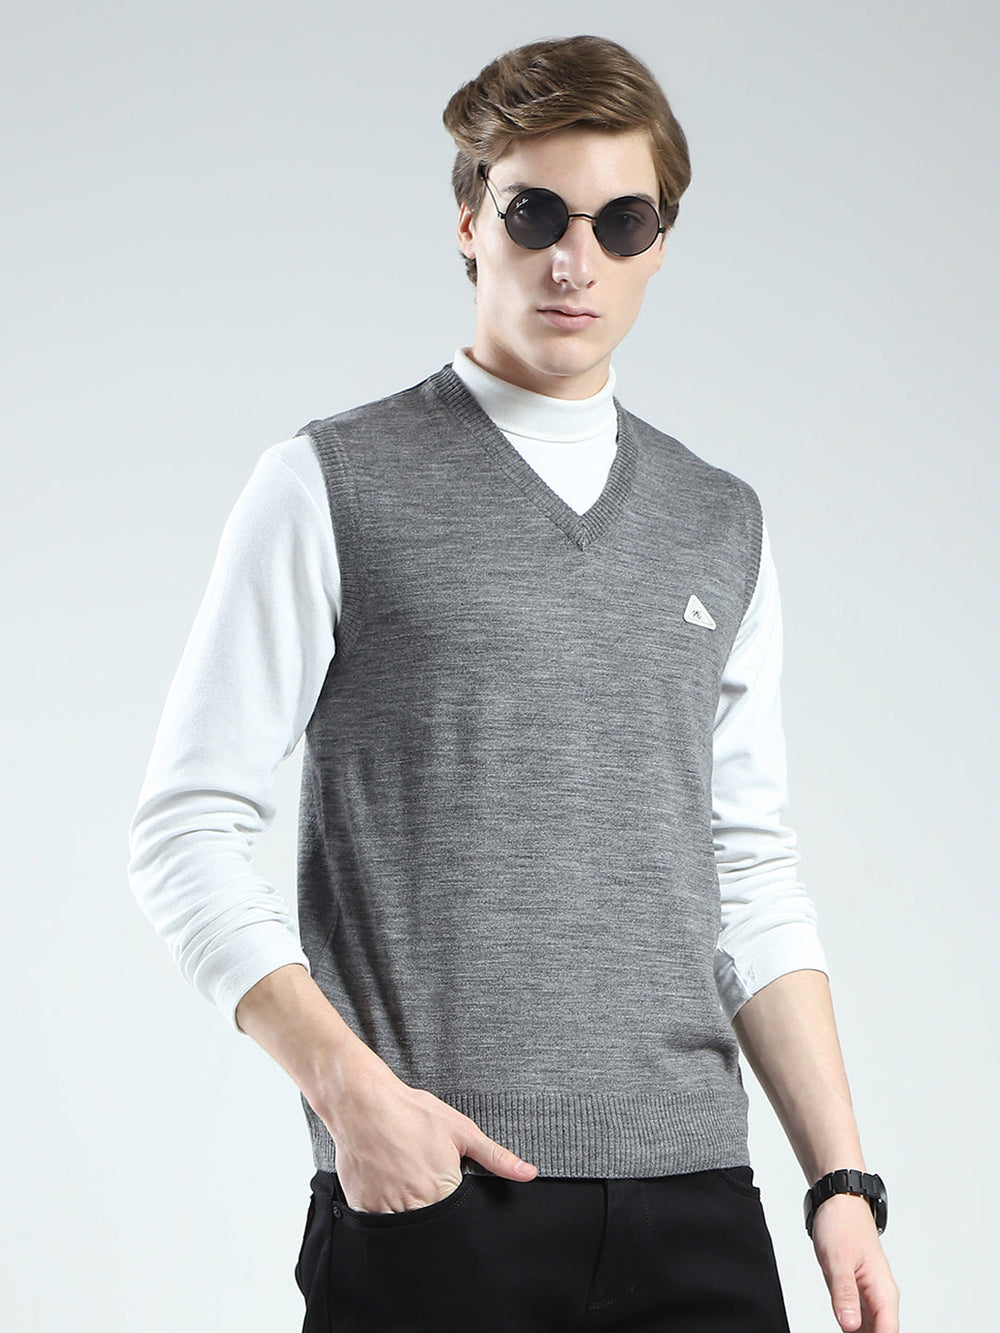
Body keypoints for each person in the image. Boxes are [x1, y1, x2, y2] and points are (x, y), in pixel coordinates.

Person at [128, 34, 900, 1333]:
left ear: (660, 245)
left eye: (619, 222)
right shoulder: (329, 485)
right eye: (535, 212)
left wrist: (840, 1179)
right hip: (436, 1197)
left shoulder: (721, 522)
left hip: (696, 1202)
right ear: (470, 222)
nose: (572, 259)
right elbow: (183, 830)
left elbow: (750, 869)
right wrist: (354, 1100)